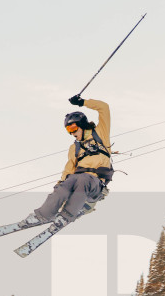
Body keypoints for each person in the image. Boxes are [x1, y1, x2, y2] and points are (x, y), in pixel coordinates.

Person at [27, 95, 113, 227]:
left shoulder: (100, 134)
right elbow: (69, 170)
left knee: (83, 179)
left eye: (73, 128)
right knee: (67, 182)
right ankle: (42, 215)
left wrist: (82, 102)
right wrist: (60, 186)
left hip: (95, 185)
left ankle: (66, 216)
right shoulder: (75, 147)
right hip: (79, 182)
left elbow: (104, 108)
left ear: (82, 124)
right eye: (68, 130)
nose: (72, 133)